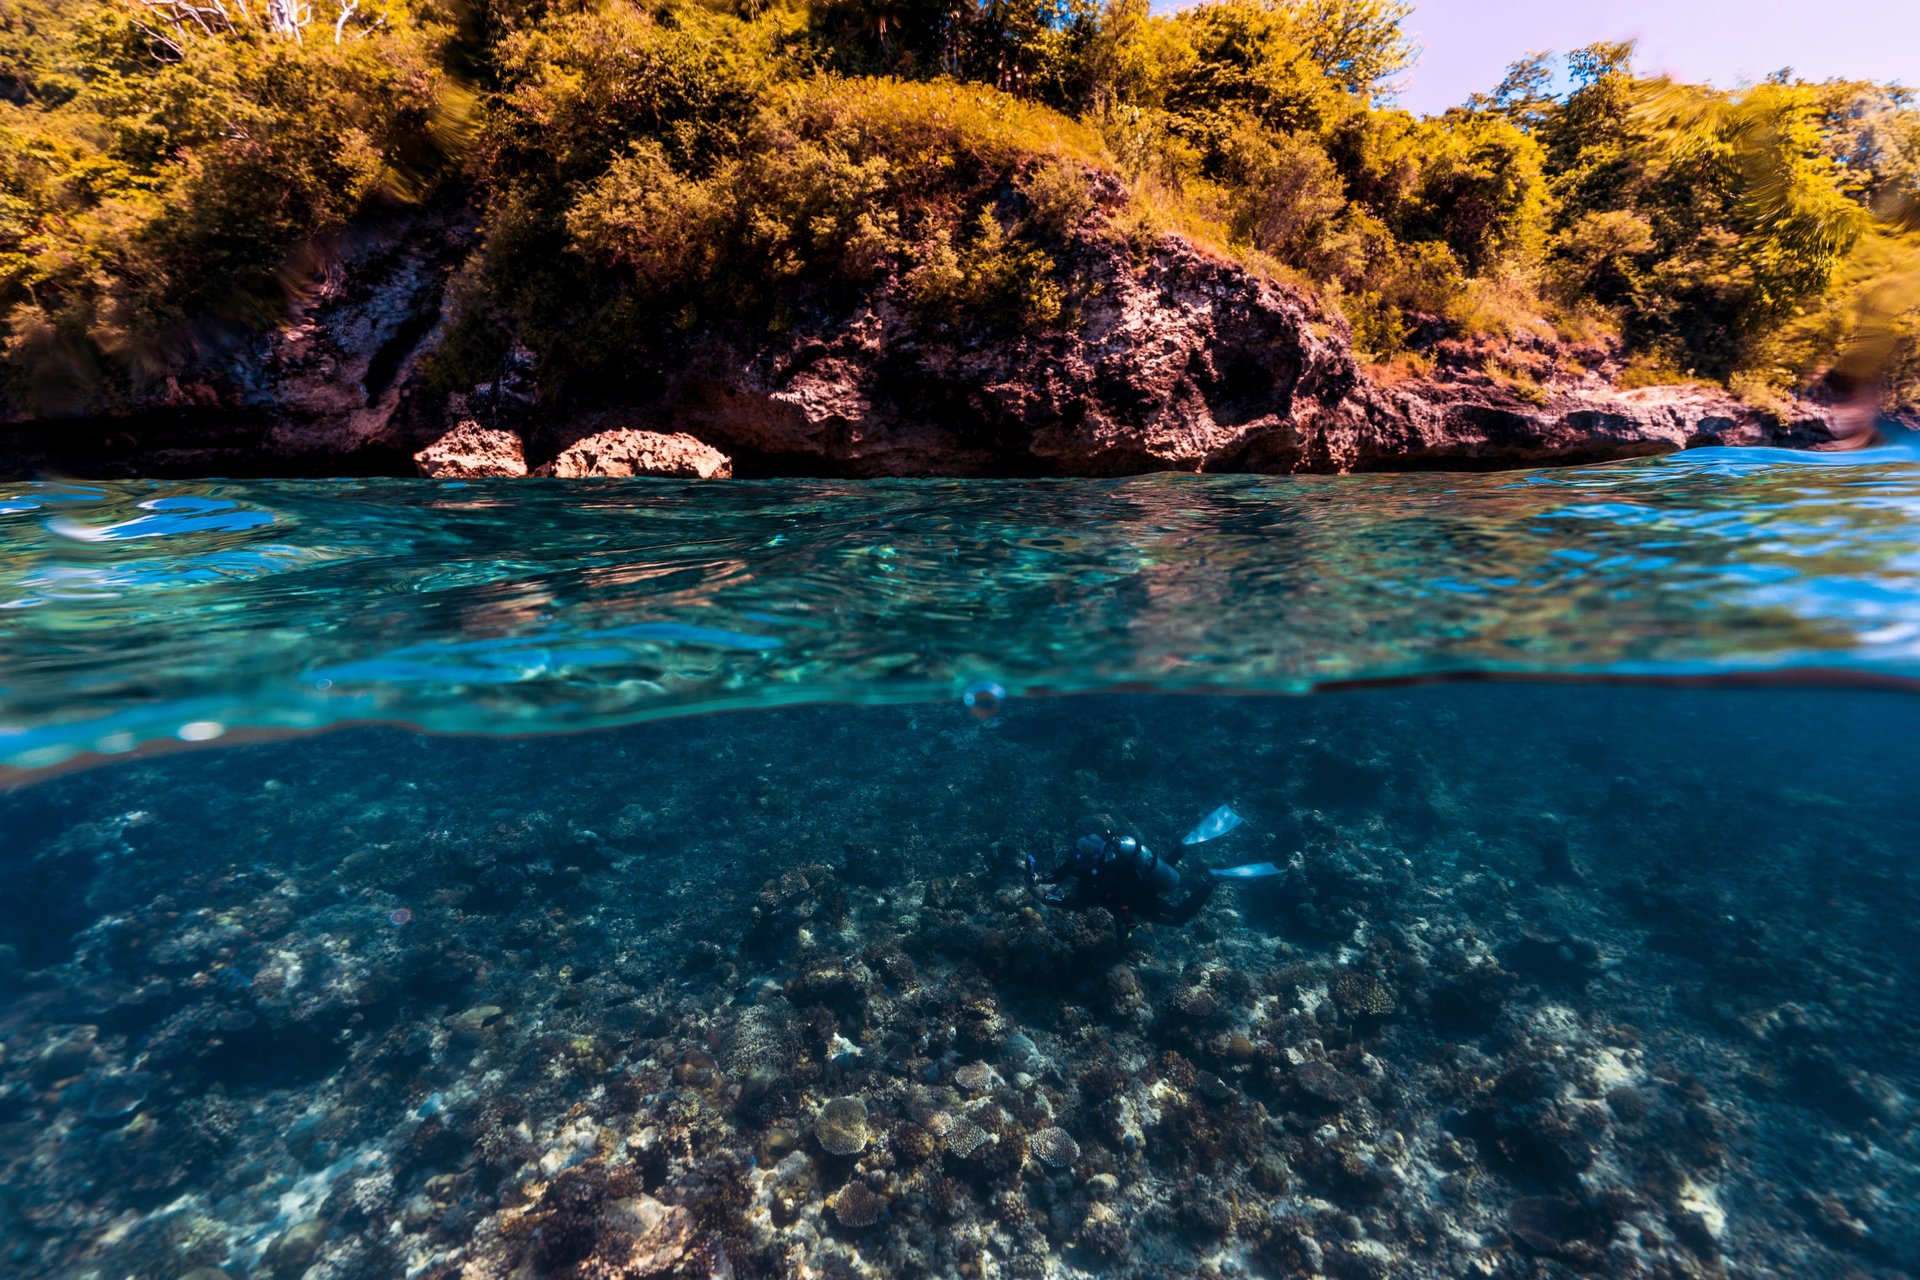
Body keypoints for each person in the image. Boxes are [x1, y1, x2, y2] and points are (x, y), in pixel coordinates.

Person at [1028, 831, 1217, 946]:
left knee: (1178, 918)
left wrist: (1045, 898)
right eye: (1075, 853)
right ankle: (1182, 847)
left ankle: (1212, 881)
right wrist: (1041, 877)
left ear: (1093, 858)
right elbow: (1063, 871)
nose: (1075, 858)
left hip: (1139, 898)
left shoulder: (1103, 876)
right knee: (1158, 875)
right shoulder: (1086, 858)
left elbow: (1078, 904)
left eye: (1079, 856)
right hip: (1141, 880)